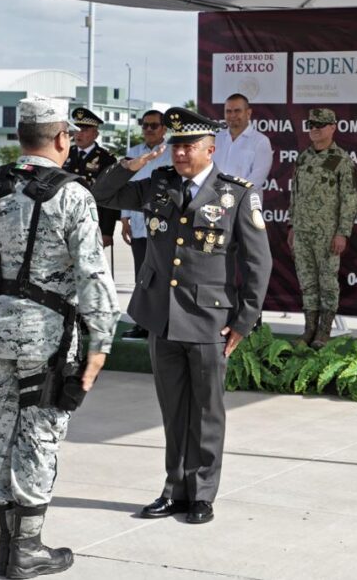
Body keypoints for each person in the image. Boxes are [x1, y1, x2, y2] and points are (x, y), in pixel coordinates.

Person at [0, 95, 119, 578]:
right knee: (38, 435)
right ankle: (28, 550)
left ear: (21, 138)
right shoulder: (72, 194)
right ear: (62, 138)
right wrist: (101, 342)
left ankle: (6, 546)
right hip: (47, 336)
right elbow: (93, 275)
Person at [91, 107, 271, 525]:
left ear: (211, 149)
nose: (179, 153)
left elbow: (258, 263)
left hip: (209, 319)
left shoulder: (237, 194)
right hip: (162, 316)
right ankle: (174, 490)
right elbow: (101, 195)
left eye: (188, 146)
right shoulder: (156, 184)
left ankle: (202, 494)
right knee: (173, 411)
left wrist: (243, 321)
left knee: (207, 411)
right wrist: (129, 165)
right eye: (175, 146)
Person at [287, 108, 357, 348]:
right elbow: (295, 195)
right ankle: (309, 329)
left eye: (321, 124)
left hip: (327, 234)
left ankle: (324, 331)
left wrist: (343, 232)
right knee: (307, 282)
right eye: (311, 124)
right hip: (303, 231)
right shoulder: (303, 157)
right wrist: (293, 225)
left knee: (327, 283)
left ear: (332, 127)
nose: (315, 128)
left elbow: (350, 199)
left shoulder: (341, 159)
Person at [119, 109, 171, 339]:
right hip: (139, 224)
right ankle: (141, 323)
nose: (148, 129)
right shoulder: (133, 153)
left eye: (154, 125)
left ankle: (163, 323)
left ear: (164, 129)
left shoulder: (171, 153)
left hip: (164, 226)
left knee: (163, 275)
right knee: (141, 274)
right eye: (145, 125)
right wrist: (124, 218)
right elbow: (126, 187)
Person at [62, 106, 119, 248]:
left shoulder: (107, 159)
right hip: (64, 219)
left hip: (92, 220)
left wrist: (107, 231)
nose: (79, 134)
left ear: (96, 134)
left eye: (85, 130)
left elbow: (111, 196)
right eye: (76, 129)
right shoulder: (63, 153)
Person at [215, 93, 273, 193]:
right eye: (228, 111)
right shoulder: (215, 139)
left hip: (245, 204)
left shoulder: (260, 141)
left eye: (237, 111)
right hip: (215, 202)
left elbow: (256, 180)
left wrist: (229, 195)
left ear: (248, 113)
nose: (232, 115)